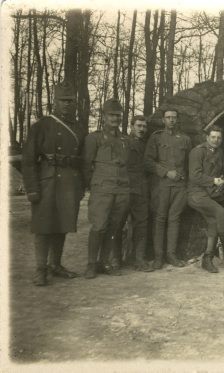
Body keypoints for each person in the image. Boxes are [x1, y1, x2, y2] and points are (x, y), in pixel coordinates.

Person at [22, 81, 85, 286]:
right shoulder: (41, 126)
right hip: (47, 181)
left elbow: (82, 160)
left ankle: (56, 265)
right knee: (43, 226)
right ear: (55, 102)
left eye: (70, 101)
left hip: (69, 182)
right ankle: (41, 268)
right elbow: (29, 160)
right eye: (63, 101)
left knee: (62, 224)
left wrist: (81, 186)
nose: (67, 105)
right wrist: (32, 188)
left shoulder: (78, 128)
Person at [187, 126, 224, 273]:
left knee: (213, 222)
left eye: (219, 138)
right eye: (213, 137)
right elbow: (194, 176)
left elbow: (220, 173)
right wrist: (214, 181)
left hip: (210, 194)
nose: (216, 140)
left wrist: (222, 182)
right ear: (207, 137)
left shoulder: (219, 153)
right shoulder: (197, 151)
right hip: (196, 193)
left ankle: (207, 258)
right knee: (220, 212)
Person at [83, 98, 130, 279]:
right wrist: (92, 186)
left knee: (114, 227)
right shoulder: (93, 138)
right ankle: (91, 264)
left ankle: (104, 262)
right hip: (102, 189)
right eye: (111, 115)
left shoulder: (125, 139)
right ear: (104, 116)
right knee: (99, 226)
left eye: (118, 115)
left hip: (121, 190)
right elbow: (86, 165)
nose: (115, 119)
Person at [144, 108, 191, 269]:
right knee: (160, 219)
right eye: (168, 117)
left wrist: (184, 179)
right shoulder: (156, 137)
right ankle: (158, 257)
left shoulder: (185, 139)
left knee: (174, 219)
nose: (171, 120)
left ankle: (171, 255)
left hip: (180, 186)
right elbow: (148, 162)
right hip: (162, 184)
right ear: (163, 120)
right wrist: (165, 173)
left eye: (174, 117)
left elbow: (188, 164)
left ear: (177, 120)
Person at [127, 115, 153, 272]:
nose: (142, 129)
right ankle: (114, 259)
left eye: (144, 126)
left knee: (141, 224)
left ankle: (139, 259)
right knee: (118, 223)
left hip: (141, 189)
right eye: (139, 126)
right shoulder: (124, 142)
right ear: (132, 126)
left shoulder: (147, 145)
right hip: (125, 187)